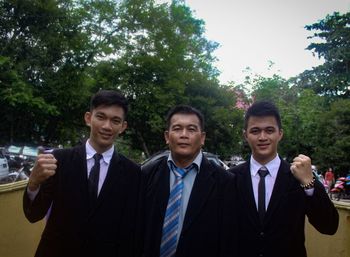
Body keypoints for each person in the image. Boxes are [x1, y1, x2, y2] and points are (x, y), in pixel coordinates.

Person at [23, 90, 141, 257]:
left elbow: (129, 230)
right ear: (88, 118)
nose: (107, 126)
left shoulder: (132, 172)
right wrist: (33, 183)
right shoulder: (58, 160)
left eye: (115, 121)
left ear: (123, 127)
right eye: (101, 117)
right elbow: (33, 215)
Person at [230, 101, 339, 257]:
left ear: (280, 133)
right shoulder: (230, 178)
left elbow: (329, 226)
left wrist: (309, 184)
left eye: (269, 130)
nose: (262, 137)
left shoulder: (300, 177)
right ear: (245, 135)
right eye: (255, 131)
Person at [140, 105, 237, 257]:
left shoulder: (224, 182)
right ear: (167, 136)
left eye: (191, 129)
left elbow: (228, 239)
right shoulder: (147, 175)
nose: (184, 135)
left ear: (202, 137)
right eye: (177, 128)